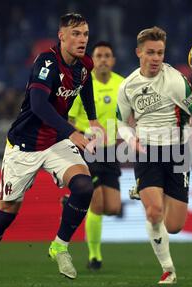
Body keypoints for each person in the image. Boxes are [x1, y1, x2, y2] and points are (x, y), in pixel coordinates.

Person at [0, 13, 105, 287]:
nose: (82, 40)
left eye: (86, 34)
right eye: (76, 34)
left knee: (83, 186)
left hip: (54, 141)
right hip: (25, 145)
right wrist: (72, 132)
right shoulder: (46, 62)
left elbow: (85, 83)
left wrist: (92, 118)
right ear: (62, 36)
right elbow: (40, 106)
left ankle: (59, 246)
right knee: (5, 213)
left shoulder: (83, 64)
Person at [116, 26, 192, 284]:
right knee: (154, 212)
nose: (156, 58)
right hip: (147, 152)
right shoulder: (127, 86)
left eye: (160, 52)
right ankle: (168, 269)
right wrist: (131, 139)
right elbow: (121, 124)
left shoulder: (176, 81)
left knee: (174, 226)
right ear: (138, 53)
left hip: (178, 152)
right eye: (150, 52)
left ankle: (145, 192)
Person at [68, 41, 124, 271]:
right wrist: (74, 141)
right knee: (97, 204)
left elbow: (128, 117)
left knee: (113, 207)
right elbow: (70, 119)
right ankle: (95, 256)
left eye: (107, 55)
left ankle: (70, 202)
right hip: (87, 149)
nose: (102, 59)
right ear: (92, 59)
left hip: (111, 151)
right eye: (98, 55)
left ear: (113, 60)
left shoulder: (123, 85)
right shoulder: (82, 83)